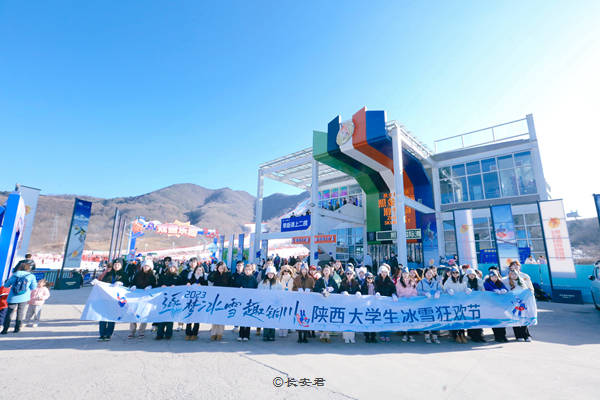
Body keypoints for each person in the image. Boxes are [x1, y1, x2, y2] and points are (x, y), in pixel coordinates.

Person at [1, 263, 38, 334]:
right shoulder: (31, 276)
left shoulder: (14, 275)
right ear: (28, 268)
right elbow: (33, 287)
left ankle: (5, 329)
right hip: (24, 297)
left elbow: (6, 285)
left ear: (20, 267)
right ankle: (17, 329)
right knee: (20, 313)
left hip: (13, 297)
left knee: (9, 313)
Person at [96, 260, 126, 341]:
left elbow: (127, 284)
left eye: (118, 265)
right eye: (115, 264)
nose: (116, 266)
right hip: (106, 298)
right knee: (103, 317)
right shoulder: (109, 273)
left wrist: (121, 283)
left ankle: (108, 334)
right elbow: (103, 283)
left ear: (121, 266)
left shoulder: (123, 274)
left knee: (111, 317)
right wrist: (97, 283)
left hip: (116, 299)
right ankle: (102, 334)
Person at [128, 260, 157, 339]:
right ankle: (132, 331)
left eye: (147, 266)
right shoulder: (138, 274)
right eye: (144, 266)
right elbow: (132, 282)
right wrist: (133, 286)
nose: (145, 267)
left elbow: (155, 285)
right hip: (137, 296)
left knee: (144, 313)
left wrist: (151, 286)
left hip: (146, 297)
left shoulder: (152, 275)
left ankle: (141, 331)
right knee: (133, 313)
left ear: (150, 267)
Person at [504, 269, 533, 342]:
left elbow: (526, 290)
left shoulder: (521, 281)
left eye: (515, 274)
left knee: (523, 318)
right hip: (513, 303)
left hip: (522, 303)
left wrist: (528, 290)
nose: (513, 276)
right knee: (515, 318)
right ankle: (518, 335)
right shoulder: (507, 282)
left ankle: (526, 335)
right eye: (512, 274)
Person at [313, 265, 339, 343]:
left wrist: (331, 290)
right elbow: (316, 288)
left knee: (328, 317)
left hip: (330, 302)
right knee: (322, 317)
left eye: (328, 270)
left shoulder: (332, 280)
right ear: (323, 272)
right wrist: (322, 290)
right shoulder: (320, 280)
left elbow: (337, 289)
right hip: (321, 301)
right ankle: (322, 334)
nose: (326, 272)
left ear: (330, 271)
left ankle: (327, 333)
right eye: (325, 270)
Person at [443, 266, 468, 343]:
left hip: (461, 303)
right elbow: (444, 289)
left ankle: (462, 335)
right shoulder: (448, 281)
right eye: (453, 272)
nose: (455, 274)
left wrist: (467, 290)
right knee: (454, 319)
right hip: (452, 303)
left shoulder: (462, 281)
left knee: (461, 319)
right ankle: (455, 335)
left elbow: (465, 288)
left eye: (456, 272)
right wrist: (448, 290)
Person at [417, 267, 442, 344]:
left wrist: (438, 292)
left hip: (435, 304)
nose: (429, 275)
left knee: (435, 319)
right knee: (426, 319)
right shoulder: (421, 282)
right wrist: (424, 293)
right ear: (425, 274)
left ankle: (435, 336)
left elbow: (441, 289)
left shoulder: (436, 282)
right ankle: (427, 336)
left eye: (430, 273)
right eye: (427, 273)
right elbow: (418, 291)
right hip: (425, 304)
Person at [155, 264, 180, 340]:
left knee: (170, 317)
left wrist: (175, 287)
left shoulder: (178, 277)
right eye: (170, 267)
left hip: (173, 299)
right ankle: (160, 333)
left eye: (173, 267)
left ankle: (168, 334)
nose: (172, 268)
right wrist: (161, 285)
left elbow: (182, 286)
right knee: (162, 316)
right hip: (163, 299)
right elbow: (158, 284)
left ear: (175, 268)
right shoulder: (164, 275)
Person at [207, 261, 231, 341]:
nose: (220, 269)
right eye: (219, 267)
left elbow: (231, 285)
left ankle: (220, 333)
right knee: (214, 316)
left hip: (224, 298)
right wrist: (213, 271)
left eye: (222, 268)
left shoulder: (228, 275)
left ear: (224, 268)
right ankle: (213, 333)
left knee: (221, 316)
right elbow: (209, 278)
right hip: (215, 297)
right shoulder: (215, 274)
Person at [183, 263, 207, 341]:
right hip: (190, 300)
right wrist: (188, 283)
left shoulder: (204, 279)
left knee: (197, 317)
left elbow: (207, 288)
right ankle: (188, 333)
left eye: (200, 270)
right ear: (195, 270)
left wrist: (202, 286)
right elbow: (185, 284)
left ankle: (195, 333)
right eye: (197, 270)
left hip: (199, 301)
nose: (199, 271)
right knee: (189, 316)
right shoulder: (191, 277)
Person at [484, 270, 509, 342]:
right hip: (492, 305)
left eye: (495, 276)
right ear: (490, 277)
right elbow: (486, 290)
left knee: (502, 320)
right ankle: (497, 336)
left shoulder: (500, 282)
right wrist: (494, 291)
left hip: (500, 305)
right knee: (495, 321)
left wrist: (504, 290)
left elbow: (506, 289)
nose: (494, 278)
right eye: (492, 276)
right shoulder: (487, 283)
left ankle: (503, 336)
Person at [374, 264, 396, 342]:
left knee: (387, 318)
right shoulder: (377, 280)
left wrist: (394, 294)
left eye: (385, 272)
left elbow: (393, 289)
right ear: (380, 272)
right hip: (380, 301)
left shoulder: (390, 280)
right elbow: (376, 288)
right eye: (383, 272)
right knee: (381, 318)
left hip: (388, 302)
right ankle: (382, 334)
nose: (384, 274)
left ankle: (387, 334)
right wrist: (377, 293)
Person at [292, 264, 315, 343]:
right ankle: (299, 336)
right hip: (299, 301)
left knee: (306, 318)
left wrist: (310, 291)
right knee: (299, 317)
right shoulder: (297, 278)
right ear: (301, 270)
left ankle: (305, 336)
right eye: (303, 269)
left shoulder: (311, 279)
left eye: (305, 269)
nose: (304, 271)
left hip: (307, 301)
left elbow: (313, 288)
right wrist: (298, 290)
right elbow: (293, 288)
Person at [258, 265, 281, 341]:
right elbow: (259, 292)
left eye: (272, 273)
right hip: (266, 304)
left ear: (274, 274)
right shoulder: (263, 282)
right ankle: (265, 334)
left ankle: (272, 335)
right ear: (267, 274)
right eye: (269, 273)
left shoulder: (277, 283)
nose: (270, 275)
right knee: (266, 319)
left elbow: (280, 293)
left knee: (272, 320)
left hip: (274, 304)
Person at [235, 264, 258, 341]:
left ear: (252, 271)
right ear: (244, 270)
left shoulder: (253, 279)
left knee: (248, 318)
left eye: (249, 270)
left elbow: (256, 289)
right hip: (242, 300)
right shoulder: (241, 278)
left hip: (250, 301)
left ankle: (246, 335)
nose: (247, 271)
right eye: (246, 270)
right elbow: (236, 286)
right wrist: (239, 288)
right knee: (241, 318)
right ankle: (241, 334)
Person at [395, 267, 417, 342]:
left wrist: (412, 297)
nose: (405, 275)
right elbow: (397, 291)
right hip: (403, 302)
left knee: (410, 318)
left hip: (410, 302)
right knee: (404, 318)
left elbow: (415, 291)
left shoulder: (412, 281)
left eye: (406, 273)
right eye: (404, 273)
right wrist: (401, 297)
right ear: (402, 274)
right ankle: (404, 334)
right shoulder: (399, 282)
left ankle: (411, 335)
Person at [463, 268, 485, 342]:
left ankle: (480, 335)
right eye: (470, 274)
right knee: (471, 319)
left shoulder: (478, 281)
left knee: (479, 318)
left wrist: (480, 292)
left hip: (477, 302)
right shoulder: (465, 281)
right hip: (469, 303)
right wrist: (466, 290)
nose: (471, 276)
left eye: (473, 274)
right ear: (467, 275)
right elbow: (463, 289)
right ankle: (473, 335)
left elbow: (482, 289)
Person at [339, 268, 360, 343]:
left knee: (352, 320)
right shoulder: (343, 282)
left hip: (353, 304)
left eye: (350, 273)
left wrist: (358, 292)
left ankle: (352, 337)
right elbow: (339, 291)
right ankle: (346, 337)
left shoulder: (356, 282)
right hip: (345, 304)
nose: (349, 275)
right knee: (346, 320)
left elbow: (359, 290)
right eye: (347, 273)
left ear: (353, 274)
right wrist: (343, 292)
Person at [278, 265, 295, 337]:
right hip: (281, 298)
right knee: (281, 314)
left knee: (287, 314)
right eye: (285, 270)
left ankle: (286, 330)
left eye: (287, 271)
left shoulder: (293, 279)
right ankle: (281, 330)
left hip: (290, 298)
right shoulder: (279, 278)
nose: (286, 272)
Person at [360, 272, 377, 342]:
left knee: (374, 321)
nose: (370, 279)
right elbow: (362, 294)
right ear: (366, 278)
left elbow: (377, 292)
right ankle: (367, 336)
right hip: (366, 305)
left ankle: (373, 336)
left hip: (374, 305)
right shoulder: (363, 285)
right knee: (366, 320)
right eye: (368, 278)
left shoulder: (375, 285)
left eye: (371, 278)